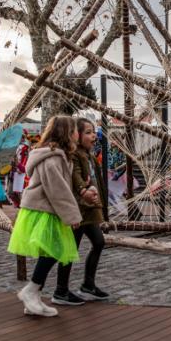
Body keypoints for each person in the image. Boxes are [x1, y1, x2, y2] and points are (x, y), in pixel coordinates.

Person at [9, 116, 85, 317]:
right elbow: (57, 189)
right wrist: (72, 215)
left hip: (46, 208)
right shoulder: (52, 158)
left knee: (49, 251)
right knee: (54, 249)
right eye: (76, 130)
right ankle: (31, 290)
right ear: (67, 133)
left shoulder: (57, 155)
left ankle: (34, 296)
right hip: (43, 209)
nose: (78, 134)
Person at [52, 117, 111, 304]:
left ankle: (88, 285)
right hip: (80, 208)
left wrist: (101, 205)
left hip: (91, 208)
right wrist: (82, 190)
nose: (93, 136)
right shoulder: (76, 154)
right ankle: (61, 290)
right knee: (71, 249)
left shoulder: (90, 155)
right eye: (88, 132)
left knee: (99, 242)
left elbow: (96, 181)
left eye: (94, 132)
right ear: (77, 135)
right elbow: (75, 175)